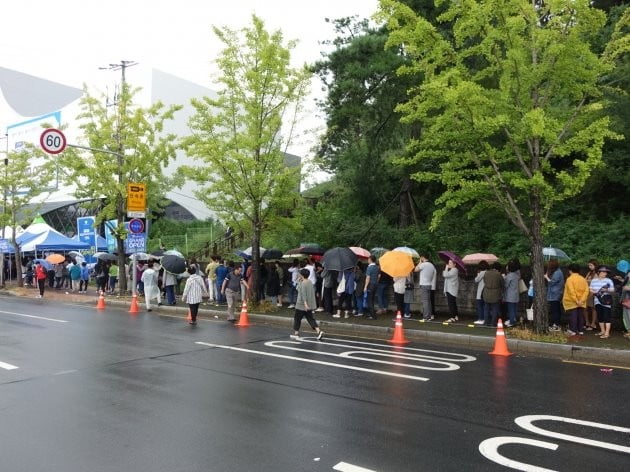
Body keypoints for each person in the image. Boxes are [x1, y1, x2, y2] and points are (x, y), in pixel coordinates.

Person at [290, 268, 324, 340]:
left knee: (297, 318)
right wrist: (299, 282)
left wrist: (305, 304)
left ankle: (296, 333)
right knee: (310, 318)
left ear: (302, 275)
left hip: (301, 305)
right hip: (309, 305)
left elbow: (302, 294)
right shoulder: (309, 282)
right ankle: (318, 331)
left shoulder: (303, 283)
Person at [562, 263, 589, 336]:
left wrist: (576, 301)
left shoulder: (569, 279)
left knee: (573, 315)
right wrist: (581, 300)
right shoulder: (583, 279)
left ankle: (572, 330)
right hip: (581, 301)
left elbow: (571, 291)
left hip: (572, 301)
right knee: (580, 315)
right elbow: (587, 290)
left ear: (570, 271)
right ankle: (580, 330)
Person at [589, 266, 615, 339]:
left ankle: (607, 333)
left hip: (606, 300)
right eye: (603, 272)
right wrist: (595, 292)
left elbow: (612, 290)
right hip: (597, 300)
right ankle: (602, 331)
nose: (605, 273)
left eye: (606, 272)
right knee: (600, 316)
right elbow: (590, 289)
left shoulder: (608, 280)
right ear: (598, 272)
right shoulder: (594, 281)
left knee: (607, 316)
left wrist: (606, 290)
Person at [414, 253, 436, 321]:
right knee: (428, 301)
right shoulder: (432, 265)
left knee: (425, 301)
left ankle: (425, 317)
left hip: (424, 285)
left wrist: (420, 263)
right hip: (429, 284)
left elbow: (415, 270)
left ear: (422, 257)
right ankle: (429, 316)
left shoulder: (423, 264)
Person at [545, 259, 565, 331]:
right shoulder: (556, 272)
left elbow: (552, 282)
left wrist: (546, 277)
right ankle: (556, 324)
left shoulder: (557, 273)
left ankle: (556, 325)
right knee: (555, 310)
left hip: (555, 294)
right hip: (555, 294)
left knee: (555, 310)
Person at [483, 262, 504, 326]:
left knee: (486, 308)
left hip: (486, 292)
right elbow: (502, 283)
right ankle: (493, 322)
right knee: (495, 308)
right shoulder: (498, 274)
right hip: (495, 293)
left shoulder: (486, 273)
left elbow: (484, 281)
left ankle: (486, 322)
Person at [503, 260, 520, 327]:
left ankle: (512, 322)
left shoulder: (509, 276)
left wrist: (504, 278)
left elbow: (506, 285)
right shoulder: (516, 275)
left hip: (510, 295)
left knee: (511, 309)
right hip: (516, 294)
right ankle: (513, 320)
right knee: (515, 308)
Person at [584, 259, 599, 331]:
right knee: (585, 308)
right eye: (589, 265)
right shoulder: (589, 273)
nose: (589, 266)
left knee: (593, 308)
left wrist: (587, 281)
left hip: (593, 292)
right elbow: (584, 280)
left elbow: (595, 283)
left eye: (591, 265)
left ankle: (593, 324)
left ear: (595, 266)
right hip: (587, 291)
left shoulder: (597, 274)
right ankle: (587, 322)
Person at [364, 255, 379, 320]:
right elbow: (378, 276)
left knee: (369, 300)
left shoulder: (369, 268)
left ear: (370, 259)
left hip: (370, 285)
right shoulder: (377, 267)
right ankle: (370, 313)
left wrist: (365, 287)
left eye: (368, 259)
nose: (367, 260)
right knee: (372, 299)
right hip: (375, 285)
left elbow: (368, 278)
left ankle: (373, 315)